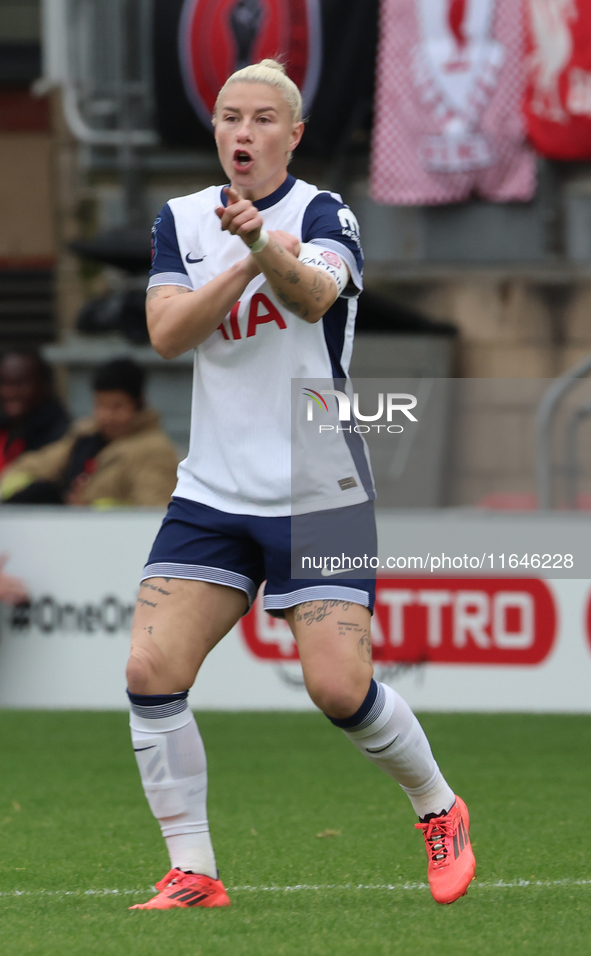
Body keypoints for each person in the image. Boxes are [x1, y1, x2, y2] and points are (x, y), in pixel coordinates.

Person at [126, 59, 475, 911]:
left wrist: (259, 246)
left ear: (292, 132)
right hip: (211, 489)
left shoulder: (324, 213)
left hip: (317, 484)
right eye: (226, 118)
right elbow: (168, 333)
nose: (240, 133)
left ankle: (439, 808)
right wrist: (241, 259)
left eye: (259, 119)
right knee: (149, 669)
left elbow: (316, 295)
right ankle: (194, 870)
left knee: (337, 689)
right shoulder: (178, 218)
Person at [0, 359, 178, 508]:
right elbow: (37, 465)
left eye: (117, 407)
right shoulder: (85, 434)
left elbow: (154, 513)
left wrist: (89, 508)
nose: (107, 416)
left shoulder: (155, 451)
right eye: (101, 405)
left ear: (139, 404)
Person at [0, 351, 70, 473]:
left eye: (21, 383)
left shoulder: (62, 437)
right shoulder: (6, 427)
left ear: (44, 386)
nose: (11, 392)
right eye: (5, 383)